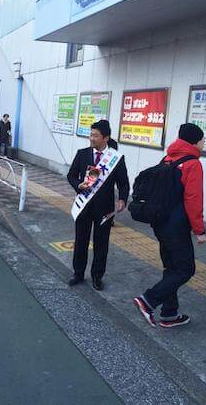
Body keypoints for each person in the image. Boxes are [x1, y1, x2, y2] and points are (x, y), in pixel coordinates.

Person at [133, 123, 206, 329]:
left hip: (160, 222)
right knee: (185, 269)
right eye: (202, 140)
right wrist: (199, 230)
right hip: (177, 226)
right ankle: (148, 301)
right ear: (195, 141)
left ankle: (169, 313)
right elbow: (193, 200)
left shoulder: (168, 158)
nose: (204, 144)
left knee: (171, 268)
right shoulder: (193, 164)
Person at [67, 120, 130, 290]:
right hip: (84, 206)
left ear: (106, 138)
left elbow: (123, 183)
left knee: (102, 244)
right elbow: (71, 175)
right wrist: (77, 185)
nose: (91, 138)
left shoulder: (115, 159)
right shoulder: (82, 154)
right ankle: (78, 273)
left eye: (95, 135)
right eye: (91, 134)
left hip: (105, 209)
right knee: (81, 241)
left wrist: (122, 199)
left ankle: (97, 277)